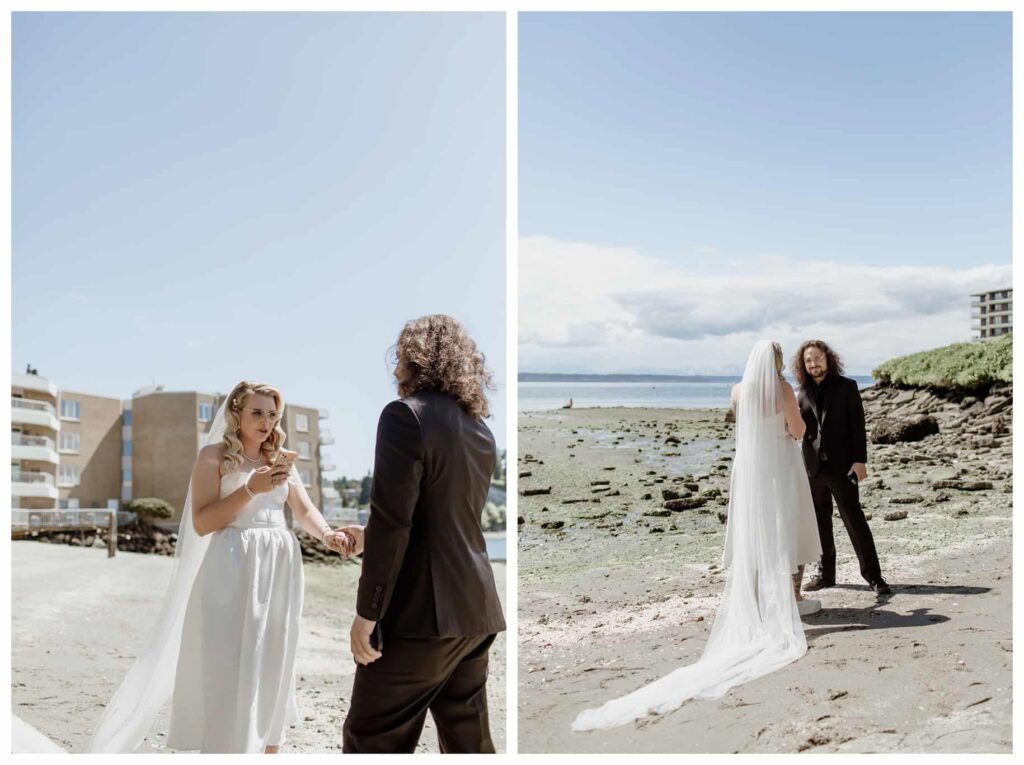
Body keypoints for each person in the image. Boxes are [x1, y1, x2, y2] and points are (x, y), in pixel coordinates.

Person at [88, 381, 361, 753]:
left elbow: (303, 509)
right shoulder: (213, 457)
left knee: (274, 658)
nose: (266, 422)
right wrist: (251, 489)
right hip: (231, 564)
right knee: (229, 660)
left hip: (279, 567)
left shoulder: (279, 459)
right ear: (237, 412)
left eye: (272, 414)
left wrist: (328, 534)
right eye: (257, 412)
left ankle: (267, 749)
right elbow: (202, 522)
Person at [572, 341, 821, 731]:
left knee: (753, 534)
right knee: (785, 529)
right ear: (775, 362)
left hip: (749, 471)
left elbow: (743, 425)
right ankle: (789, 599)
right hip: (778, 469)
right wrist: (796, 430)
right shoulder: (784, 389)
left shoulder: (738, 391)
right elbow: (798, 429)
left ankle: (757, 603)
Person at [343, 315, 506, 753]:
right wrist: (367, 533)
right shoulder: (481, 431)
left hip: (420, 616)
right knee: (469, 745)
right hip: (475, 612)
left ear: (411, 359)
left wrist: (368, 613)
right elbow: (442, 516)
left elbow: (397, 522)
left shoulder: (404, 416)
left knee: (371, 741)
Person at [793, 341, 891, 597]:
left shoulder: (848, 387)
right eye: (808, 360)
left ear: (828, 358)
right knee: (819, 524)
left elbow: (857, 426)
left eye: (817, 358)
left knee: (854, 520)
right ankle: (826, 575)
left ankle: (874, 577)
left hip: (843, 466)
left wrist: (860, 460)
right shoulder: (800, 392)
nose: (813, 364)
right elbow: (798, 431)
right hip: (813, 468)